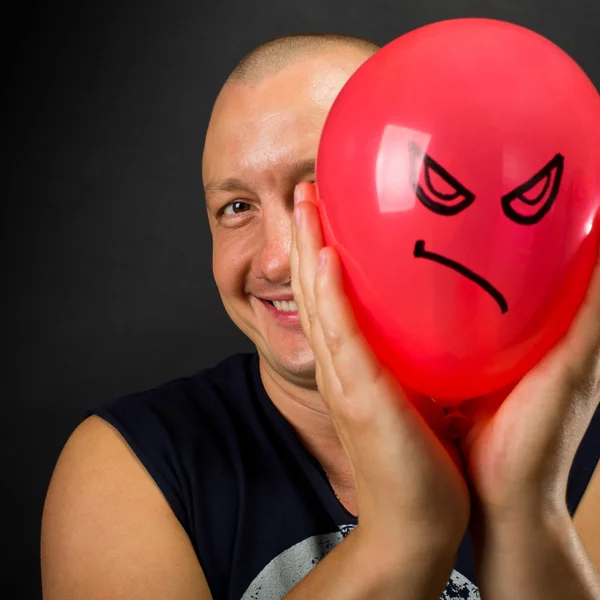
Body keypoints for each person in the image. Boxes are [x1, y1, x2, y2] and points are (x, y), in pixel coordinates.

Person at [41, 33, 600, 600]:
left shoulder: (587, 451)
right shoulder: (133, 461)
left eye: (319, 187)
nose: (278, 260)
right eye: (237, 208)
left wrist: (525, 516)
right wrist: (403, 532)